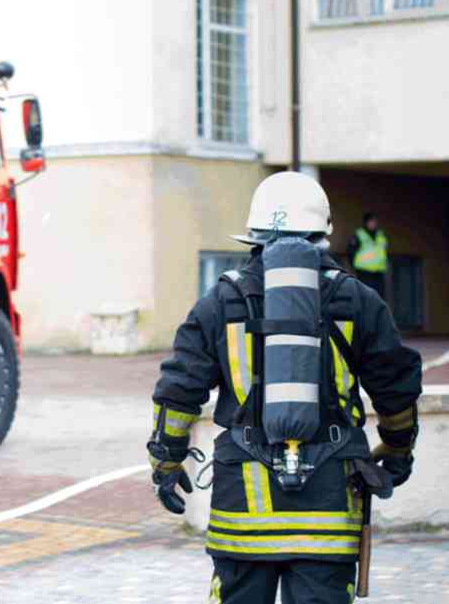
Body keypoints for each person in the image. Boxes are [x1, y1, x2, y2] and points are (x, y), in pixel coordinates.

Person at [147, 172, 421, 604]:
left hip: (243, 510)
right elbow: (397, 388)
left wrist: (165, 460)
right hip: (329, 506)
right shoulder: (358, 300)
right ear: (322, 234)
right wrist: (398, 448)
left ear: (253, 235)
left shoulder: (220, 301)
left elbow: (179, 391)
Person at [347, 213, 388, 300]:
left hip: (378, 272)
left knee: (379, 298)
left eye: (374, 222)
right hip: (364, 272)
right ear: (366, 222)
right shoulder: (359, 235)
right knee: (365, 297)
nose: (373, 224)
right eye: (371, 222)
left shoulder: (380, 235)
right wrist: (354, 267)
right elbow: (350, 252)